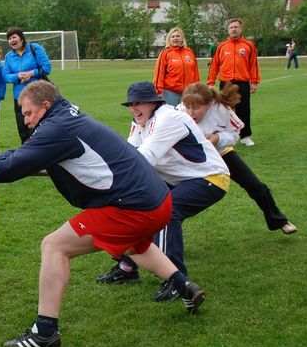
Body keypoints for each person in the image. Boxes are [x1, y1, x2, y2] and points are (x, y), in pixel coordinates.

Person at [0, 80, 205, 347]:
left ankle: (45, 333)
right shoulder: (66, 117)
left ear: (46, 105)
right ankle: (185, 286)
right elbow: (22, 155)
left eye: (28, 113)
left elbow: (11, 166)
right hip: (159, 200)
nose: (26, 121)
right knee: (134, 245)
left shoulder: (56, 129)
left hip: (136, 207)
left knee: (54, 246)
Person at [97, 82, 228, 301]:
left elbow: (144, 158)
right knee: (132, 208)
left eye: (138, 103)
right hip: (178, 180)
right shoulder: (141, 122)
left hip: (210, 177)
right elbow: (130, 153)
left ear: (153, 103)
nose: (133, 108)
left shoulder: (168, 119)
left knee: (167, 213)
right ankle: (127, 268)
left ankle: (177, 281)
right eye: (130, 104)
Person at [180, 82, 298, 234]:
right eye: (187, 107)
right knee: (171, 195)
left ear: (208, 105)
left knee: (255, 186)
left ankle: (279, 220)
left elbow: (235, 134)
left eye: (196, 107)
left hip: (222, 153)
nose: (190, 112)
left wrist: (218, 138)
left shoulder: (222, 110)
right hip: (194, 157)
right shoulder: (178, 112)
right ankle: (166, 230)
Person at [207, 18, 260, 146]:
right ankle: (225, 137)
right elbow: (215, 65)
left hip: (242, 83)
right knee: (224, 111)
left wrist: (254, 82)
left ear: (241, 29)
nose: (234, 29)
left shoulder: (249, 45)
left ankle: (245, 136)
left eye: (236, 27)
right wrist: (211, 82)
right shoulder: (222, 46)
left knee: (244, 110)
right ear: (228, 30)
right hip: (226, 83)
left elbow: (253, 64)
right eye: (231, 27)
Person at [2, 27, 52, 143]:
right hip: (19, 98)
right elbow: (5, 76)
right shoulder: (9, 56)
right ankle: (26, 151)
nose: (11, 40)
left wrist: (31, 73)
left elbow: (47, 68)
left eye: (14, 37)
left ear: (21, 38)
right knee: (23, 129)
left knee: (37, 128)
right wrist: (17, 76)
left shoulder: (35, 48)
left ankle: (41, 151)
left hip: (37, 95)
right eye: (9, 39)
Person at [152, 26, 199, 106]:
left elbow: (195, 73)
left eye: (178, 36)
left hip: (188, 92)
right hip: (170, 92)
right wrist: (158, 91)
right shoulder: (165, 53)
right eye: (173, 36)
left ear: (182, 39)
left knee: (187, 113)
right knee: (171, 113)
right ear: (169, 39)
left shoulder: (189, 52)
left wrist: (197, 88)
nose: (175, 38)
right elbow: (159, 73)